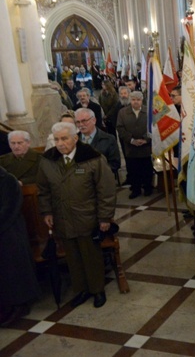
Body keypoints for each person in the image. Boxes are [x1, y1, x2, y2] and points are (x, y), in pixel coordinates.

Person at [37, 122, 116, 309]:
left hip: (87, 216)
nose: (60, 143)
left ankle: (97, 290)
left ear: (75, 138)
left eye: (64, 138)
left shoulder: (92, 158)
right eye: (56, 139)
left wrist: (105, 218)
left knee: (91, 255)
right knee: (72, 257)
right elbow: (43, 189)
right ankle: (81, 290)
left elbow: (106, 190)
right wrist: (46, 211)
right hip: (62, 217)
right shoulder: (48, 160)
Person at [0, 166, 40, 327]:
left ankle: (20, 305)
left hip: (9, 232)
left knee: (13, 272)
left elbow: (9, 209)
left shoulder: (7, 180)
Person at [116, 91, 153, 199]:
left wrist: (146, 139)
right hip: (131, 147)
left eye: (138, 100)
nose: (135, 102)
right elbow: (120, 128)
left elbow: (153, 127)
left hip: (145, 147)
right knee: (133, 169)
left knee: (146, 169)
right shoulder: (122, 112)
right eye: (133, 100)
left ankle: (147, 188)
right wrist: (131, 140)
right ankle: (135, 189)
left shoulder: (149, 111)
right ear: (130, 100)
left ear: (142, 100)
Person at [74, 108, 121, 175]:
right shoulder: (74, 140)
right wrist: (82, 173)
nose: (81, 125)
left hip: (101, 180)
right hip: (80, 180)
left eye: (84, 121)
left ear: (94, 120)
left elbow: (115, 164)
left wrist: (95, 173)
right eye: (78, 122)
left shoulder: (108, 139)